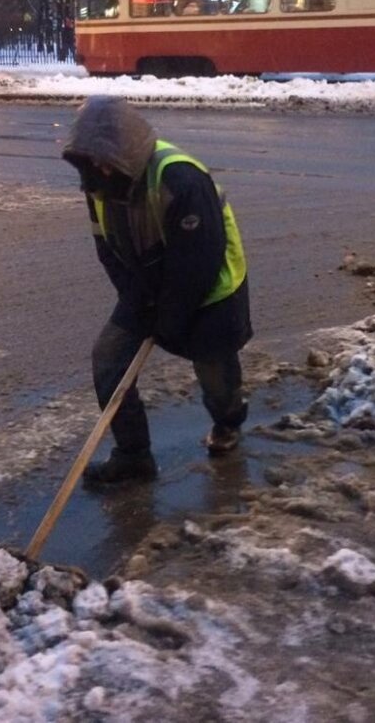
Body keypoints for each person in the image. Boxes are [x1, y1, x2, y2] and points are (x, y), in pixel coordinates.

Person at [61, 96, 253, 486]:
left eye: (102, 160)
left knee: (214, 372)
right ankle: (134, 457)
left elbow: (197, 262)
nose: (96, 170)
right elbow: (108, 249)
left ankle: (227, 421)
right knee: (109, 359)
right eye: (89, 162)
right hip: (147, 287)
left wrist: (169, 317)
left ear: (124, 152)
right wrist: (136, 299)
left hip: (210, 291)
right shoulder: (98, 184)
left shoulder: (179, 179)